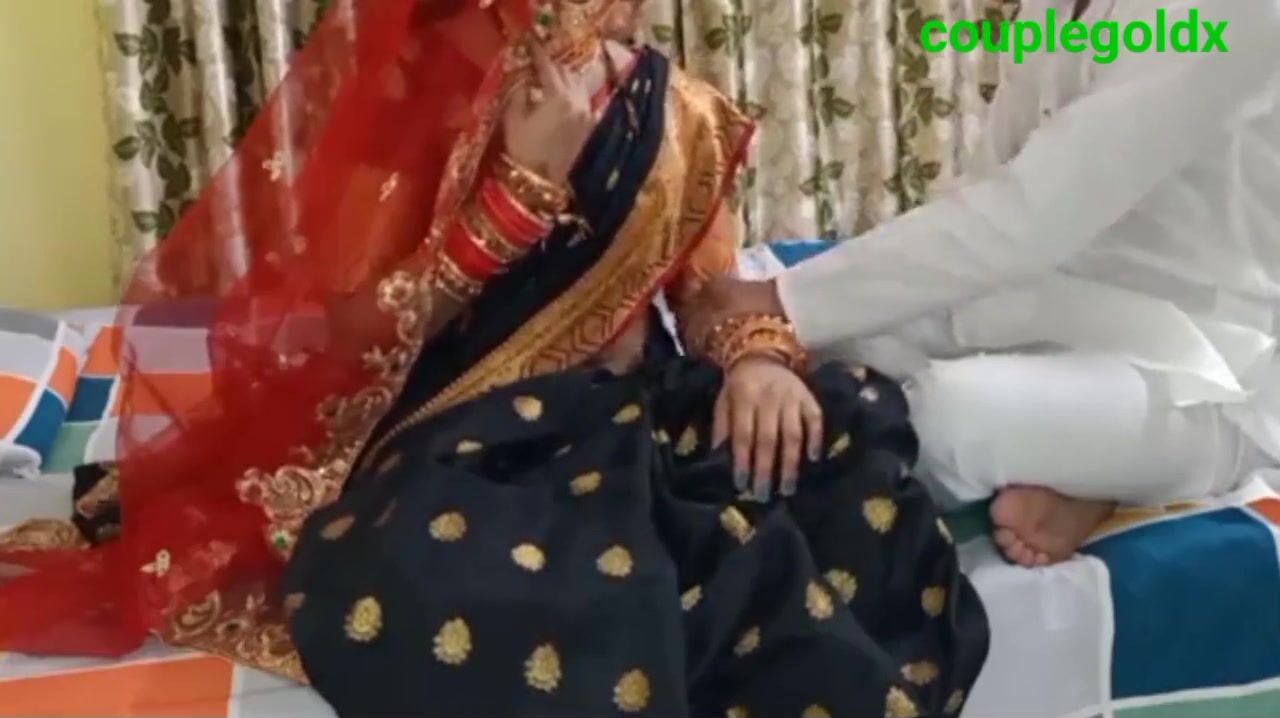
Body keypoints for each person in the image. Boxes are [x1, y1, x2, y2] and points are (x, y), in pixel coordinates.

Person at [0, 0, 988, 716]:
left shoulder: (677, 108)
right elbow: (352, 330)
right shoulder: (423, 92)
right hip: (470, 430)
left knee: (845, 430)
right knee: (407, 566)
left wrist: (754, 362)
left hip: (639, 410)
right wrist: (516, 196)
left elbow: (709, 288)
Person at [684, 0, 1280, 567]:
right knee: (830, 351)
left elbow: (1032, 218)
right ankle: (1085, 466)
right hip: (1050, 300)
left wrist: (784, 300)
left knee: (940, 417)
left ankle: (1180, 464)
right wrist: (789, 310)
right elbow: (990, 185)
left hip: (1203, 362)